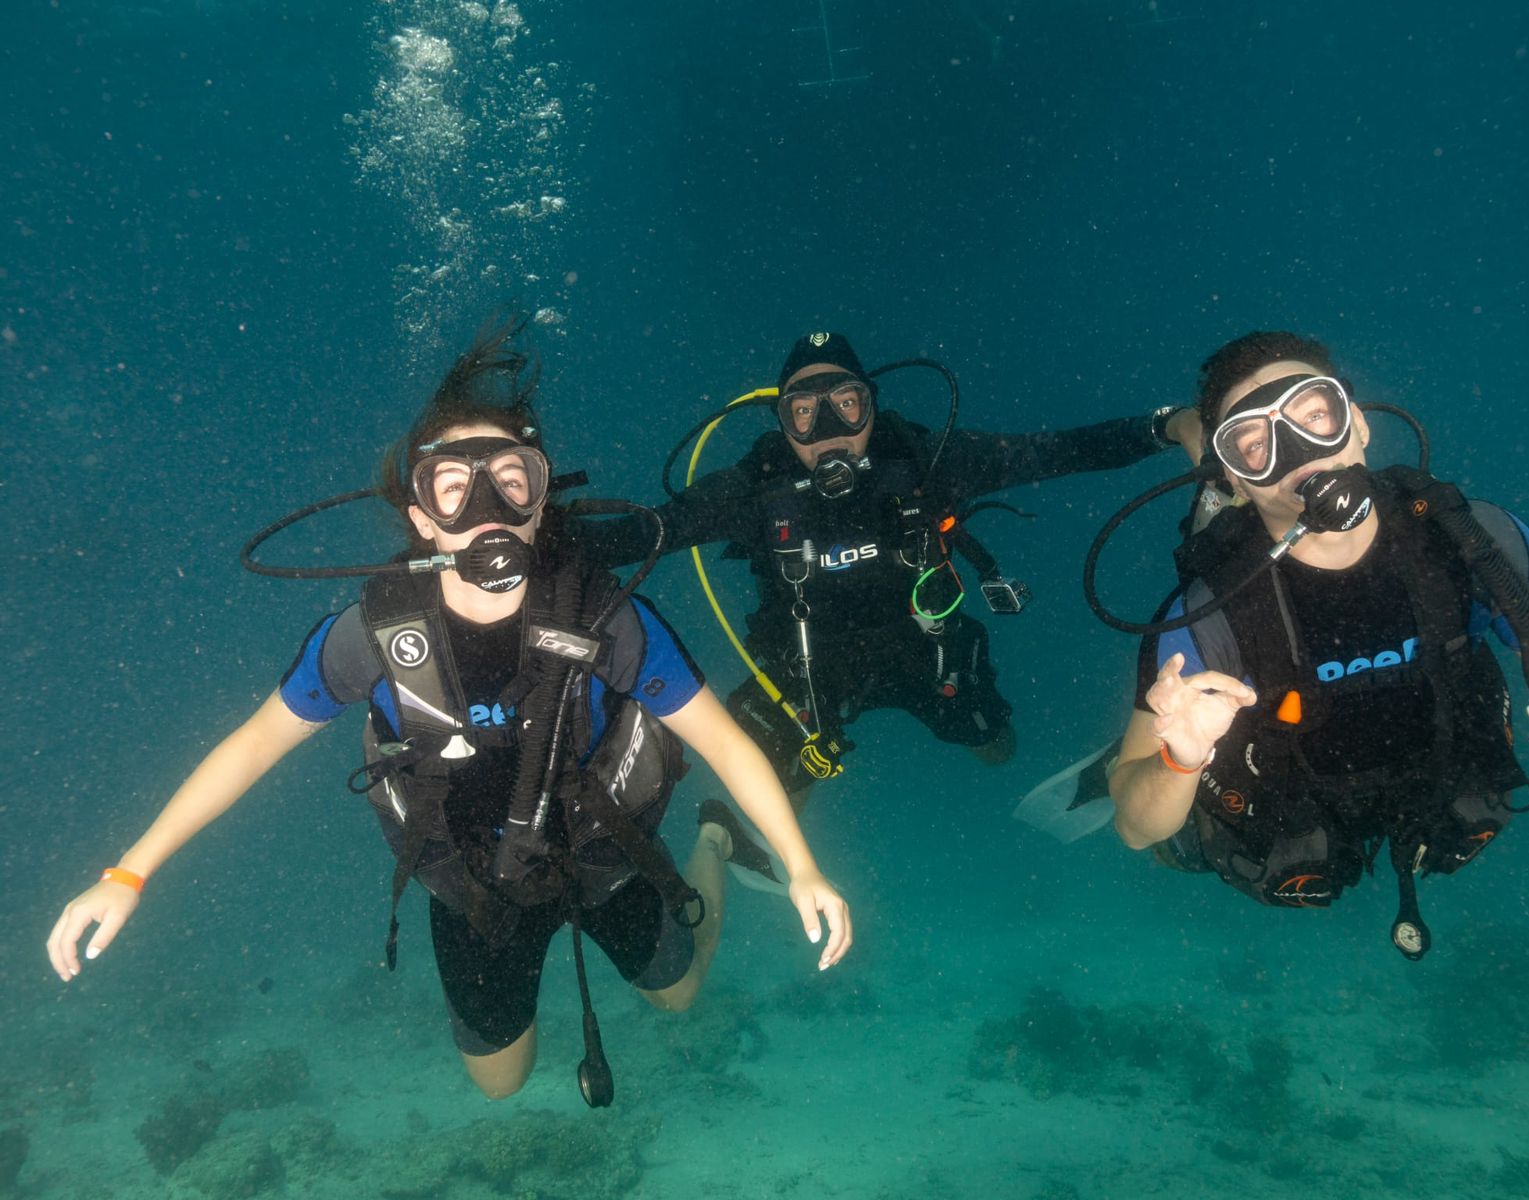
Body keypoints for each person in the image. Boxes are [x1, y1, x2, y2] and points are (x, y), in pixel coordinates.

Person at [46, 318, 851, 1102]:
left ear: (542, 499)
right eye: (453, 487)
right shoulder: (373, 635)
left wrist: (801, 863)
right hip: (473, 886)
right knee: (499, 1087)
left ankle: (711, 840)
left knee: (678, 998)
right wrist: (129, 871)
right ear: (419, 515)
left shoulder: (606, 617)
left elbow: (722, 739)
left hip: (606, 856)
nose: (487, 510)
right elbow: (253, 746)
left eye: (511, 479)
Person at [578, 330, 1203, 886]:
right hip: (805, 670)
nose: (829, 430)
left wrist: (1171, 424)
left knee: (996, 746)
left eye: (846, 404)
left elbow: (1057, 451)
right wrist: (520, 533)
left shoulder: (925, 463)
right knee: (770, 786)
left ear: (871, 407)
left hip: (926, 648)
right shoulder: (753, 490)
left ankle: (1130, 776)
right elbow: (643, 534)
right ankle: (755, 848)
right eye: (804, 412)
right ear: (780, 423)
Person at [1105, 330, 1529, 957]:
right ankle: (1164, 737)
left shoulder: (1477, 543)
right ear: (1236, 475)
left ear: (1358, 424)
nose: (1298, 454)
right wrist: (1180, 756)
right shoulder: (1203, 615)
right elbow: (1134, 827)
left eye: (1315, 415)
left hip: (1436, 778)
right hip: (1286, 801)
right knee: (1180, 842)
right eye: (1256, 443)